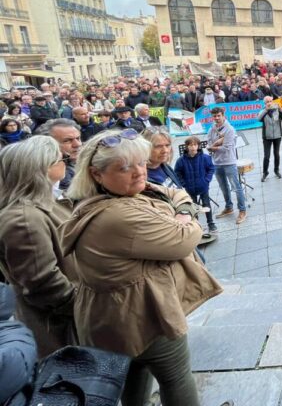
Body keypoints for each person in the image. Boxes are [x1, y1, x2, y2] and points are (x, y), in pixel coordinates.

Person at [60, 128, 223, 406]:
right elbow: (186, 238)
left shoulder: (105, 197)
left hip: (112, 317)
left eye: (140, 162)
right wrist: (186, 216)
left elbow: (175, 192)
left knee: (134, 374)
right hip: (144, 313)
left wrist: (180, 209)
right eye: (124, 167)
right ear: (96, 174)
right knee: (175, 377)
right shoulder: (119, 214)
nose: (139, 172)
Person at [0, 136, 76, 356]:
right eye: (60, 158)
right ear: (41, 168)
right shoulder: (23, 218)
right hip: (61, 328)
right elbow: (44, 284)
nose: (65, 161)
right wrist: (86, 308)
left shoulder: (44, 203)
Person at [207, 107, 247, 224]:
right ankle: (229, 207)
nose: (216, 118)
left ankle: (242, 210)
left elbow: (226, 148)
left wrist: (213, 147)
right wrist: (216, 143)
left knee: (236, 187)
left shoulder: (229, 129)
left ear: (223, 116)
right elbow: (209, 143)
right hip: (217, 162)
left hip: (229, 162)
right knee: (223, 187)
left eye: (218, 116)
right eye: (214, 116)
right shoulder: (212, 129)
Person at [175, 136, 217, 234]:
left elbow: (211, 168)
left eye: (195, 145)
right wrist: (183, 184)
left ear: (198, 146)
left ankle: (211, 223)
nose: (193, 147)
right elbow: (177, 173)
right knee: (193, 207)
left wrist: (206, 180)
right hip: (189, 188)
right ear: (187, 147)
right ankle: (196, 225)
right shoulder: (181, 160)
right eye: (190, 145)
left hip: (203, 186)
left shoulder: (205, 157)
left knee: (206, 204)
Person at [33, 118, 82, 194]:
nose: (77, 144)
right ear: (46, 145)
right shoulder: (54, 176)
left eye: (78, 138)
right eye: (67, 140)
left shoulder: (85, 160)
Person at [256, 96, 282, 181]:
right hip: (267, 137)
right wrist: (266, 110)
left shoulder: (277, 109)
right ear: (265, 103)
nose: (269, 103)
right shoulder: (263, 111)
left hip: (277, 135)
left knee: (276, 154)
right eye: (267, 102)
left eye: (270, 101)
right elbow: (258, 119)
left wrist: (280, 109)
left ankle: (276, 170)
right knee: (267, 156)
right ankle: (265, 172)